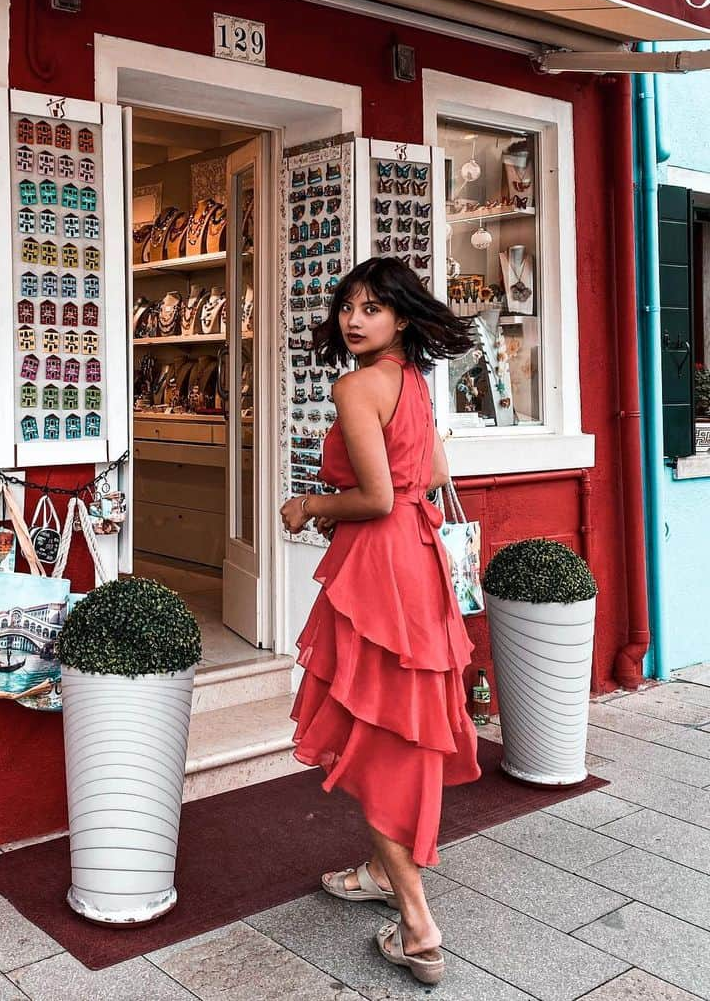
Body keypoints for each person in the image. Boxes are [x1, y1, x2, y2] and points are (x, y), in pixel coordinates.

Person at [280, 255, 480, 986]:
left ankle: (419, 923)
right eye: (347, 306)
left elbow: (375, 500)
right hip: (419, 564)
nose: (353, 319)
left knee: (374, 732)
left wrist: (309, 505)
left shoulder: (356, 386)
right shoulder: (417, 385)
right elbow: (431, 478)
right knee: (400, 721)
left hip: (379, 567)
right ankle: (377, 871)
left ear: (400, 316)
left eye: (371, 307)